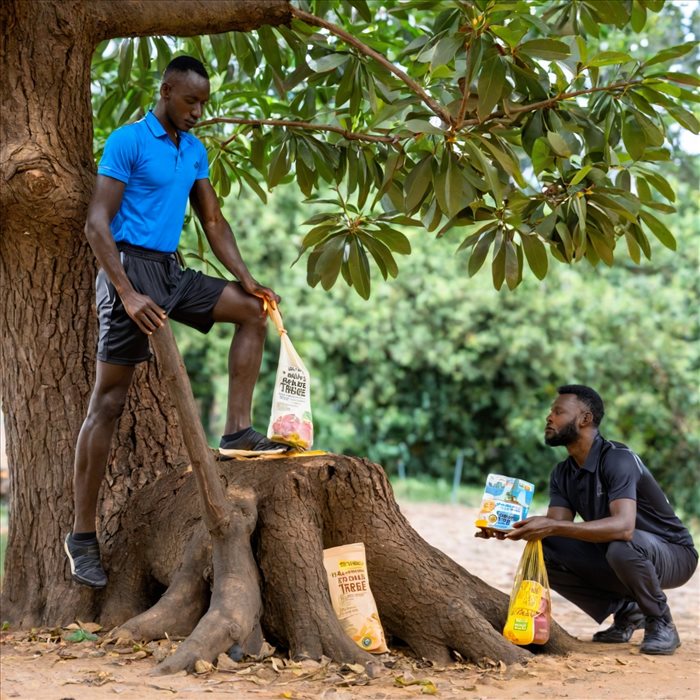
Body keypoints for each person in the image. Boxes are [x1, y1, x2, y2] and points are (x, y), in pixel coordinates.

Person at [65, 56, 288, 589]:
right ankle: (81, 536)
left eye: (203, 104)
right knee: (109, 403)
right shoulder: (128, 140)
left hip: (170, 270)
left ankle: (237, 430)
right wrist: (126, 292)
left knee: (253, 312)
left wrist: (247, 277)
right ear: (166, 91)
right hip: (127, 268)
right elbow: (97, 224)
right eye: (191, 101)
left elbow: (212, 219)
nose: (197, 113)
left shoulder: (194, 150)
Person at [479, 384, 697, 656]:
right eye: (551, 412)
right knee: (548, 551)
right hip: (623, 553)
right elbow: (556, 529)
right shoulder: (562, 473)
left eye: (558, 412)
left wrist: (552, 526)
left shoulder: (618, 459)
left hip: (674, 553)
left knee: (621, 544)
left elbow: (624, 527)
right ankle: (629, 610)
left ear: (585, 419)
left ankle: (661, 621)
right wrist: (506, 527)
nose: (549, 417)